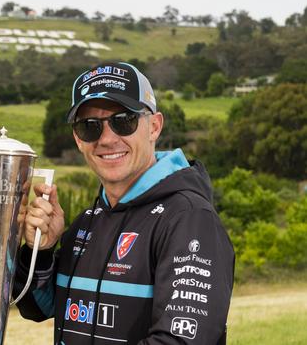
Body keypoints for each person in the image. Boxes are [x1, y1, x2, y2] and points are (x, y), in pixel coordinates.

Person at [13, 62, 235, 344]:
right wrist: (41, 251)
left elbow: (181, 340)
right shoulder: (88, 221)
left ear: (154, 127)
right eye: (89, 127)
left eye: (123, 121)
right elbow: (37, 307)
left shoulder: (190, 219)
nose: (106, 139)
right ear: (78, 139)